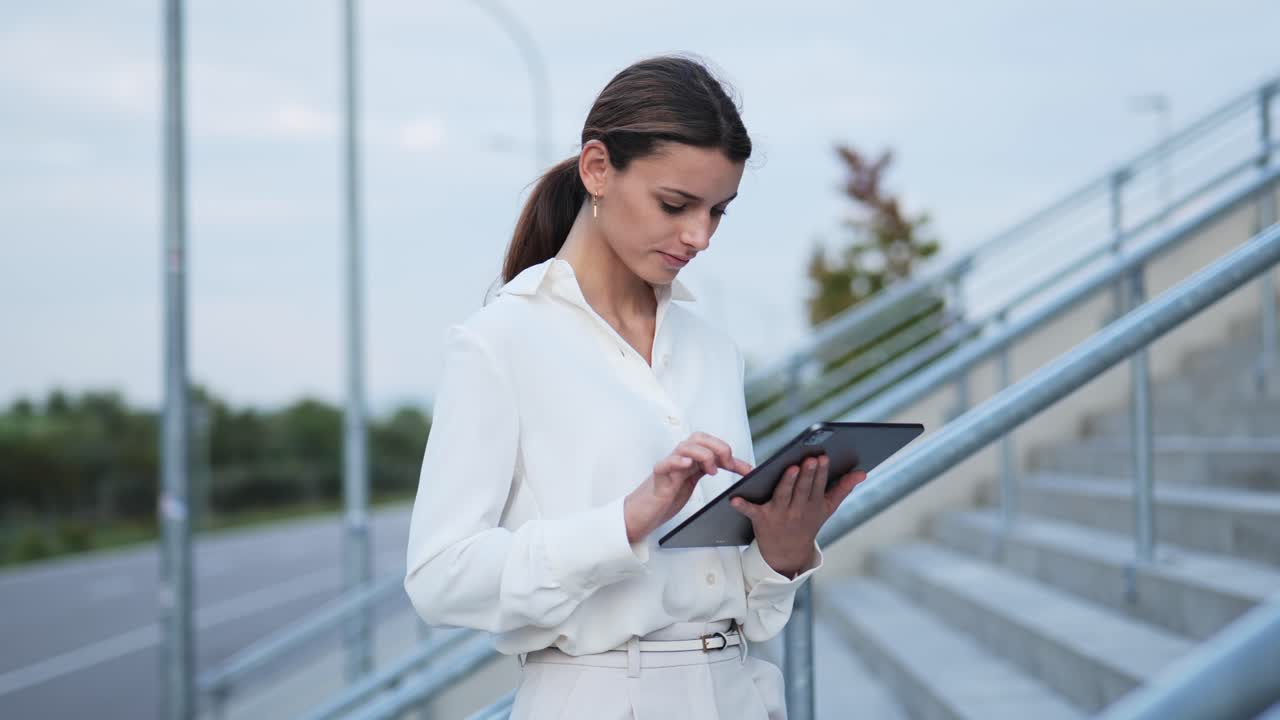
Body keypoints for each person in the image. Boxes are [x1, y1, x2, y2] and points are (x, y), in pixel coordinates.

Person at [404, 53, 867, 720]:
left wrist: (782, 552)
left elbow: (746, 601)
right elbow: (438, 580)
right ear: (597, 168)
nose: (699, 236)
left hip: (737, 693)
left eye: (718, 212)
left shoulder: (711, 348)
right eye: (675, 204)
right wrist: (625, 520)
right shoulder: (500, 342)